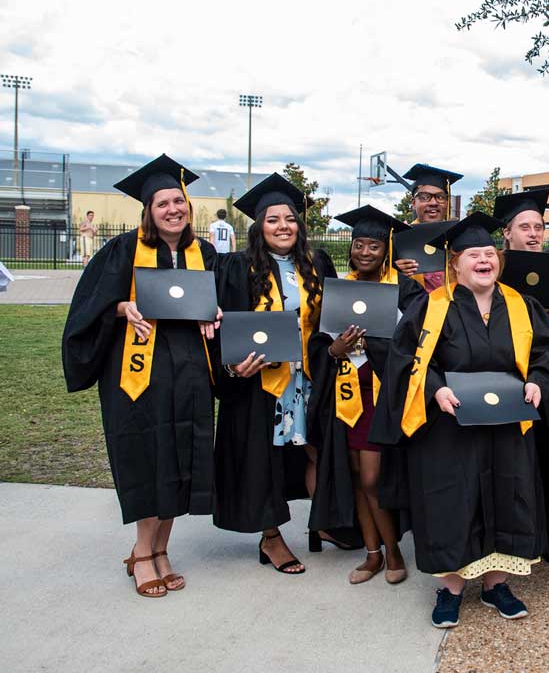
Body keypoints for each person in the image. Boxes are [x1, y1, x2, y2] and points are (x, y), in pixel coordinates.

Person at [371, 213, 549, 628]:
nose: (484, 260)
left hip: (508, 425)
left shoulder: (521, 305)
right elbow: (407, 360)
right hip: (450, 426)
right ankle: (452, 588)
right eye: (473, 254)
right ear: (454, 263)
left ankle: (496, 585)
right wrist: (435, 389)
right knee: (452, 502)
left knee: (506, 498)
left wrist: (538, 383)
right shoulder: (431, 306)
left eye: (490, 253)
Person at [62, 155, 220, 598]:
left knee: (179, 456)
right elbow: (87, 308)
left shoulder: (203, 253)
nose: (173, 209)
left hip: (188, 370)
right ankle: (142, 552)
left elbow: (212, 305)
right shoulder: (123, 250)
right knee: (147, 455)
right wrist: (121, 307)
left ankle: (162, 550)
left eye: (179, 201)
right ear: (148, 211)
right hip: (137, 372)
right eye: (163, 203)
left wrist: (215, 314)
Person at [212, 173, 340, 574]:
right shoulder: (237, 266)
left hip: (310, 375)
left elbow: (333, 314)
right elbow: (220, 325)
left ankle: (323, 523)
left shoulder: (316, 262)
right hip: (262, 382)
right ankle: (271, 539)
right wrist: (234, 366)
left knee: (317, 450)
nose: (283, 226)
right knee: (263, 458)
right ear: (259, 227)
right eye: (273, 220)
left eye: (290, 218)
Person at [308, 205, 422, 585]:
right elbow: (320, 345)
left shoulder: (405, 289)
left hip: (383, 394)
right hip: (346, 393)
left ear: (386, 249)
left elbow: (416, 343)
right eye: (359, 245)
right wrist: (336, 349)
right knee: (355, 474)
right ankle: (372, 555)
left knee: (373, 477)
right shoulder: (340, 288)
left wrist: (373, 344)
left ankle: (393, 552)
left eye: (374, 246)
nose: (365, 252)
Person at [494, 188, 549, 566]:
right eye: (524, 226)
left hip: (548, 373)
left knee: (548, 456)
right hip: (505, 372)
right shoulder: (493, 269)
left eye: (539, 227)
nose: (533, 233)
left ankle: (548, 534)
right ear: (507, 233)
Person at [393, 163, 463, 293]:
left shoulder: (460, 235)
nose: (433, 202)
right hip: (412, 308)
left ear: (447, 202)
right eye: (425, 197)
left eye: (440, 197)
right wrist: (393, 271)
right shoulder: (399, 237)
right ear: (414, 203)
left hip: (453, 307)